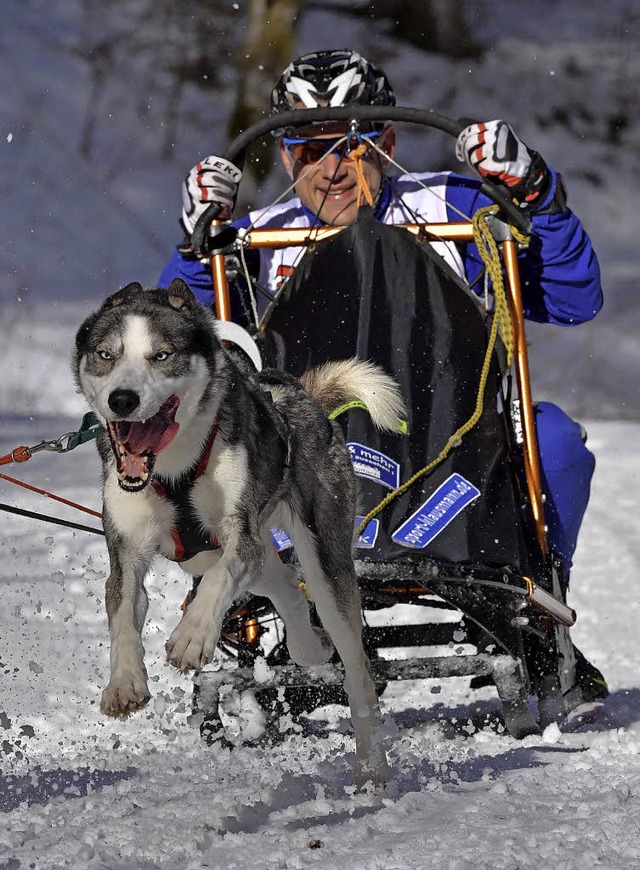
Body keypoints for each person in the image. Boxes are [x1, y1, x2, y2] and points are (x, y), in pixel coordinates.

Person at [159, 49, 603, 588]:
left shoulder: (452, 207)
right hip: (302, 455)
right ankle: (232, 605)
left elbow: (573, 297)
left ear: (387, 143)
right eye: (310, 149)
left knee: (554, 441)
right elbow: (174, 346)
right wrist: (194, 247)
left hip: (446, 440)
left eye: (352, 144)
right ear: (285, 157)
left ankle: (541, 612)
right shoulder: (252, 239)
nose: (332, 169)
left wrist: (535, 191)